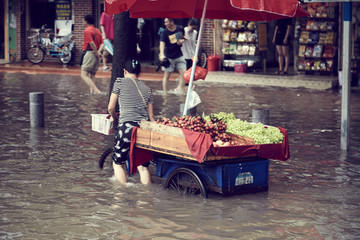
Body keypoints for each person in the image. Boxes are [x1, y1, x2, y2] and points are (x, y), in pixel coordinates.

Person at [107, 59, 155, 185]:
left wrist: (114, 118)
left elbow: (111, 107)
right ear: (139, 74)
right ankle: (146, 197)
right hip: (143, 130)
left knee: (118, 164)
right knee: (143, 167)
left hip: (127, 129)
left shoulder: (119, 82)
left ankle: (122, 195)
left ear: (124, 71)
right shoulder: (148, 90)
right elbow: (151, 117)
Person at [159, 18, 187, 95]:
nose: (164, 23)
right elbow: (162, 44)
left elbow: (184, 37)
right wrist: (162, 54)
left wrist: (182, 41)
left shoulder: (180, 28)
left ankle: (181, 90)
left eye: (166, 22)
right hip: (168, 56)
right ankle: (165, 93)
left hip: (179, 55)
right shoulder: (164, 32)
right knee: (167, 75)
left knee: (184, 74)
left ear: (172, 22)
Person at [81, 14, 105, 95]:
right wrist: (98, 52)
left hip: (90, 54)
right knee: (92, 75)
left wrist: (95, 52)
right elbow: (102, 44)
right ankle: (92, 93)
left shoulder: (87, 30)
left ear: (86, 21)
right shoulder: (97, 30)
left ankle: (97, 91)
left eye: (83, 20)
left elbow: (91, 43)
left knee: (83, 75)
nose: (82, 22)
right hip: (96, 55)